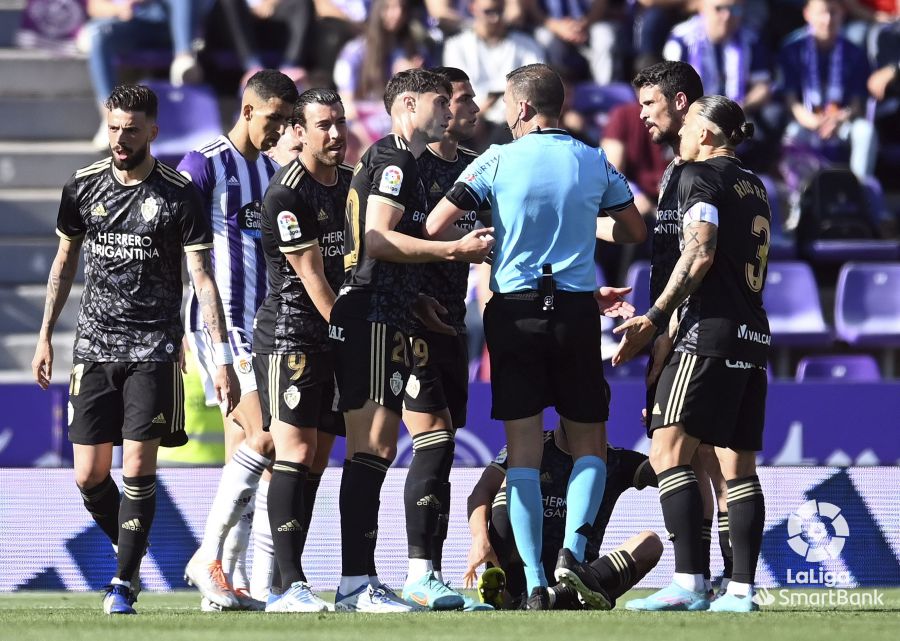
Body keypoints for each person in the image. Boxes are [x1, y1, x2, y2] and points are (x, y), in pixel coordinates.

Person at [425, 63, 646, 609]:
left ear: (521, 108)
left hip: (513, 312)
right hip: (573, 309)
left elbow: (435, 225)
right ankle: (572, 552)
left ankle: (537, 583)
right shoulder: (592, 159)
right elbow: (634, 229)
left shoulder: (495, 159)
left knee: (523, 455)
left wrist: (490, 235)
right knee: (590, 444)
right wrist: (579, 223)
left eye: (505, 104)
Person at [31, 84, 240, 615]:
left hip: (155, 347)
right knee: (89, 476)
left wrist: (218, 355)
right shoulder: (82, 187)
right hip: (93, 346)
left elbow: (202, 277)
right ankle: (135, 545)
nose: (120, 139)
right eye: (114, 127)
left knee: (138, 465)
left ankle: (122, 581)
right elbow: (64, 264)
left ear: (153, 131)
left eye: (131, 129)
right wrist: (44, 336)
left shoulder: (177, 194)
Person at [329, 67, 494, 613]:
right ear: (407, 106)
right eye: (438, 101)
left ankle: (366, 580)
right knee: (372, 448)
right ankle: (358, 581)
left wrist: (417, 297)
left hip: (391, 310)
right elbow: (376, 238)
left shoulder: (399, 160)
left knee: (378, 447)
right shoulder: (398, 160)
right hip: (373, 311)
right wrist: (453, 253)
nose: (448, 109)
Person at [613, 95, 770, 613]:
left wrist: (656, 319)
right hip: (752, 335)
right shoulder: (755, 185)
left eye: (687, 127)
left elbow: (699, 250)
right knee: (738, 466)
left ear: (704, 132)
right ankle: (742, 590)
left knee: (667, 452)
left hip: (707, 334)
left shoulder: (698, 177)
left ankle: (690, 581)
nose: (679, 135)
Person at [178, 70, 299, 610]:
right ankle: (214, 564)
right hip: (222, 326)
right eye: (274, 118)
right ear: (247, 109)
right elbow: (190, 262)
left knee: (247, 455)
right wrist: (216, 349)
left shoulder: (273, 171)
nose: (280, 130)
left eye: (286, 121)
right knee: (266, 444)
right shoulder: (203, 164)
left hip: (266, 327)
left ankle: (226, 582)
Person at [253, 88, 352, 613]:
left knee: (315, 460)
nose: (335, 134)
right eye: (323, 125)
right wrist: (353, 332)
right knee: (292, 453)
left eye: (339, 122)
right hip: (291, 336)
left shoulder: (352, 186)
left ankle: (282, 578)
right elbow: (314, 280)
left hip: (333, 339)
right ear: (299, 131)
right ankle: (288, 586)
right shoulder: (287, 193)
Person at [398, 66, 488, 611]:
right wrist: (410, 301)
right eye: (463, 98)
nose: (474, 107)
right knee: (429, 439)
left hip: (453, 321)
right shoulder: (407, 166)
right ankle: (416, 573)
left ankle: (428, 574)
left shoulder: (480, 169)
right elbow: (383, 238)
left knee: (444, 444)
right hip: (410, 321)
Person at [464, 428, 660, 609]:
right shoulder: (532, 447)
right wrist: (479, 539)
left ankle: (558, 595)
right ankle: (505, 593)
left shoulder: (616, 459)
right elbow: (482, 491)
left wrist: (658, 429)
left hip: (579, 578)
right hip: (519, 573)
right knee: (513, 481)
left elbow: (673, 473)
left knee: (650, 543)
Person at [82, 0, 206, 148]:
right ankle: (110, 118)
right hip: (136, 25)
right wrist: (119, 10)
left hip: (174, 21)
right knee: (98, 36)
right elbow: (95, 6)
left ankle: (184, 59)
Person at [778, 0, 877, 180]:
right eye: (821, 13)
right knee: (793, 133)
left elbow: (857, 104)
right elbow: (790, 99)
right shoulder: (792, 49)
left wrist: (838, 118)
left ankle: (859, 189)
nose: (828, 19)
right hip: (807, 120)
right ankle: (799, 197)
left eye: (834, 12)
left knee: (865, 131)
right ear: (807, 14)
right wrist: (811, 121)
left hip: (841, 121)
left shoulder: (854, 52)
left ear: (843, 13)